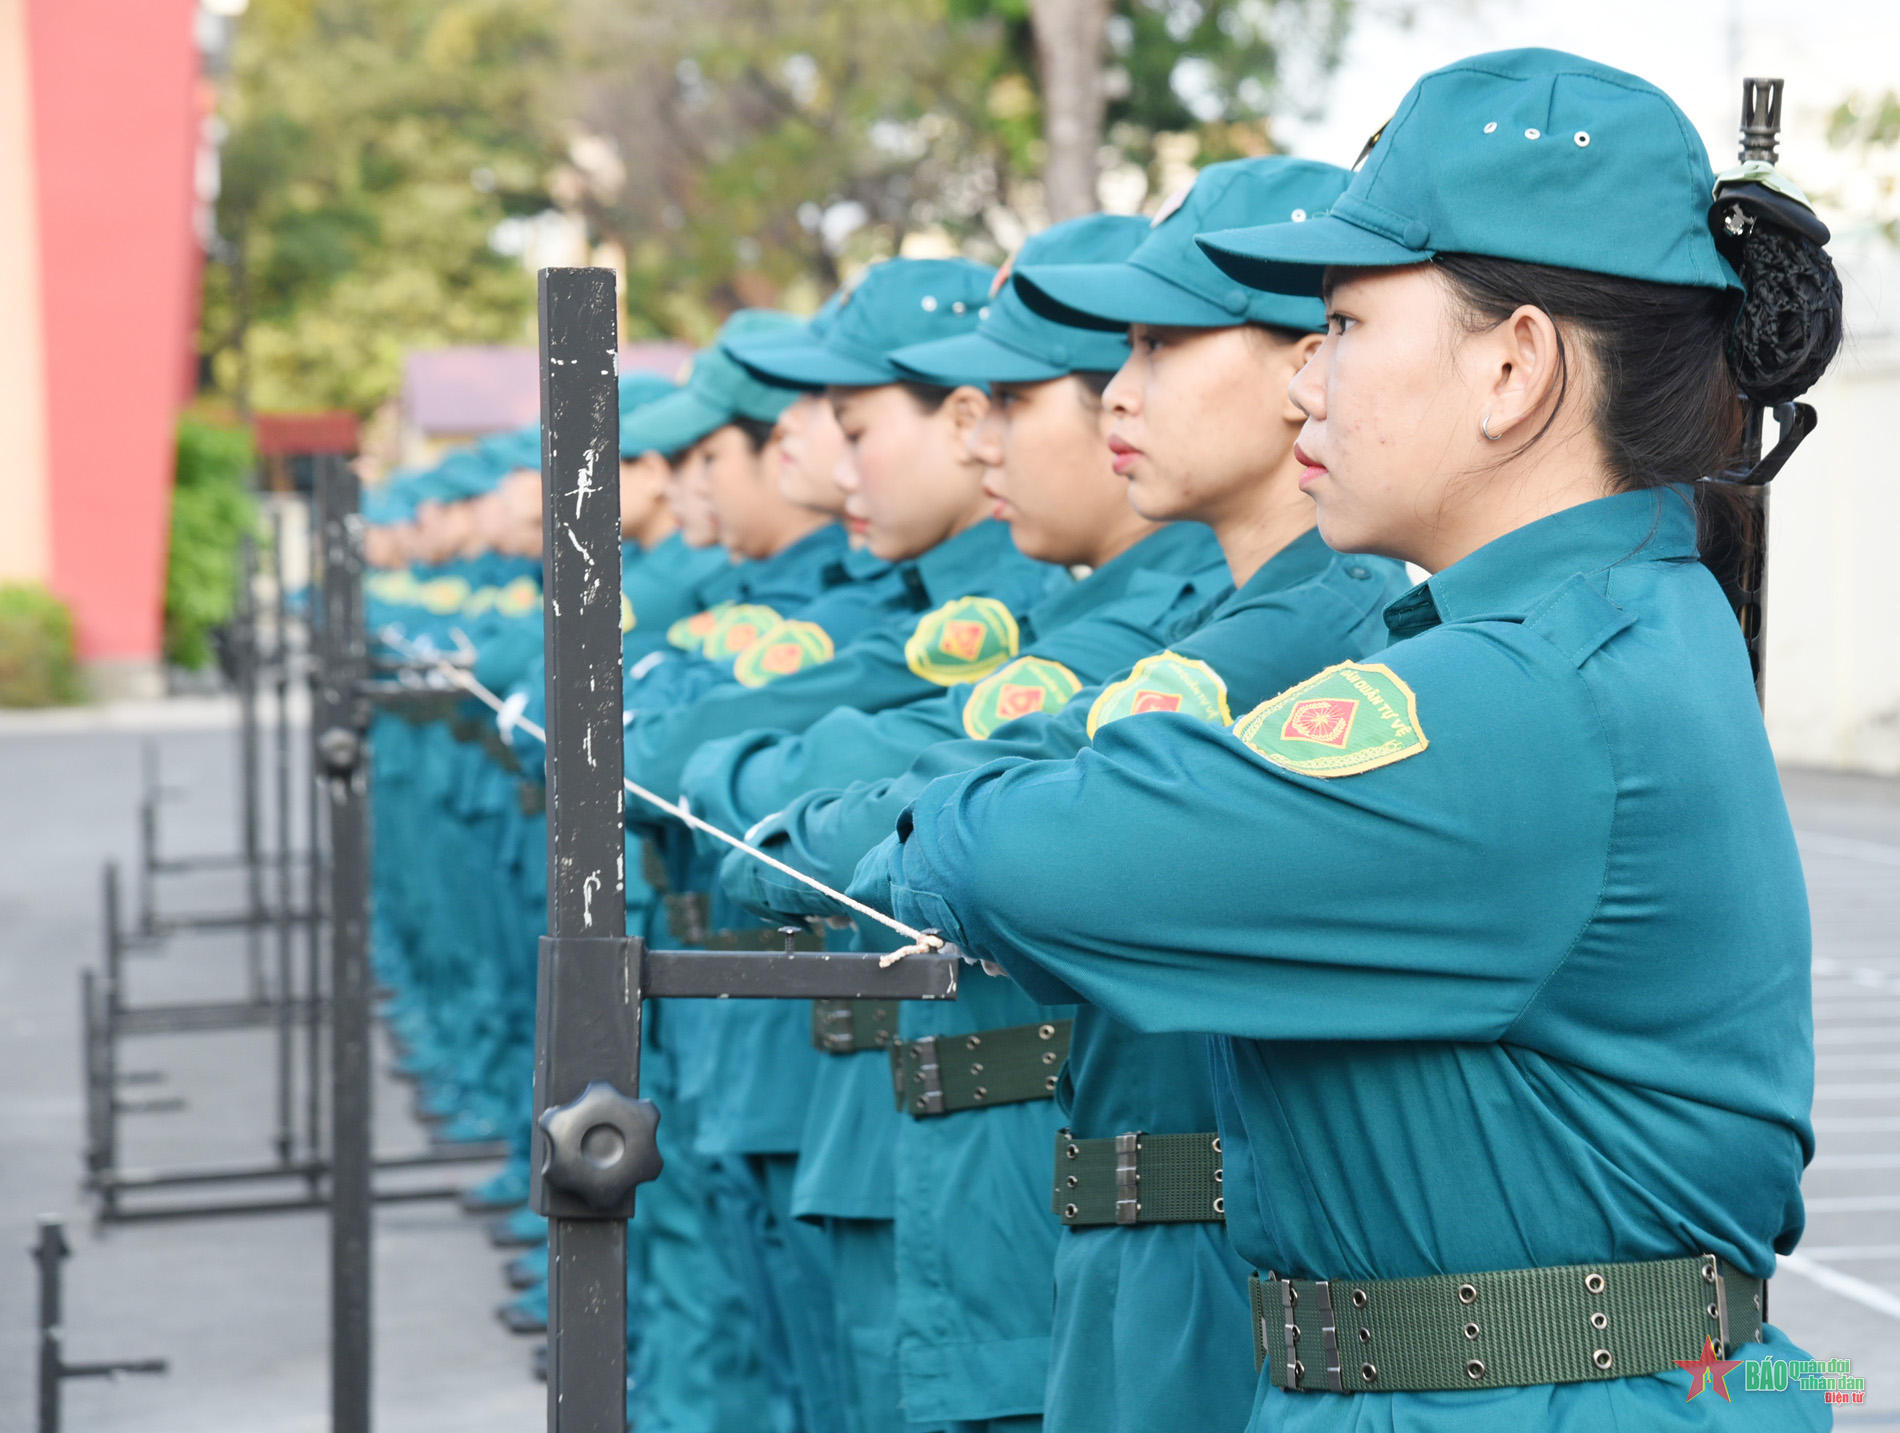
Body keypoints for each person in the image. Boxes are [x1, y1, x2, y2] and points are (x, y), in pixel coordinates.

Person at [849, 48, 1839, 1431]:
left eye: (1351, 325)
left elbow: (1040, 863)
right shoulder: (1570, 640)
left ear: (1514, 364)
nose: (1308, 384)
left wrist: (957, 808)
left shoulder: (1524, 697)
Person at [717, 159, 1413, 1433]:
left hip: (1209, 1262)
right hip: (1132, 1240)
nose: (1116, 395)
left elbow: (1032, 791)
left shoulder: (1304, 637)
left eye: (1157, 345)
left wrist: (810, 833)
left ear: (1302, 368)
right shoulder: (1240, 616)